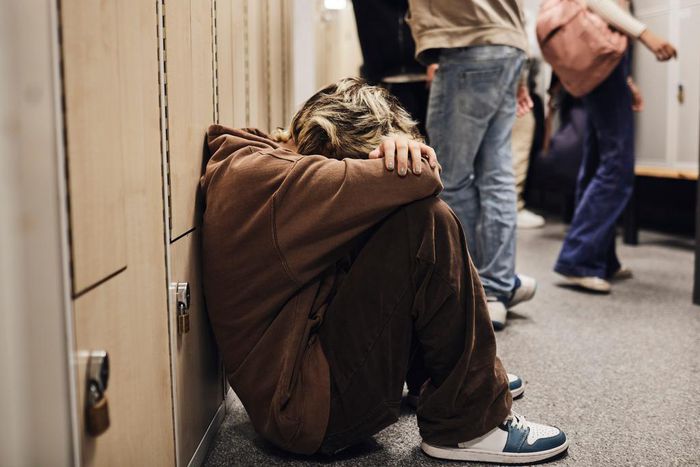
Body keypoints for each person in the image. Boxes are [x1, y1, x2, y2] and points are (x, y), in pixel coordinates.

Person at [200, 78, 569, 463]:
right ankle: (468, 427)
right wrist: (400, 157)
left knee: (392, 223)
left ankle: (448, 378)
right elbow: (423, 176)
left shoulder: (263, 165)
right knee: (425, 221)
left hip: (306, 373)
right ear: (328, 141)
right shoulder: (276, 181)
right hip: (306, 410)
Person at [406, 0, 538, 330]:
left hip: (468, 43)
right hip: (508, 44)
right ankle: (499, 283)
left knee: (450, 176)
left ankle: (478, 286)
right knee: (497, 176)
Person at [553, 0, 677, 293]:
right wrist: (646, 33)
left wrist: (625, 78)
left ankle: (600, 258)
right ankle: (579, 259)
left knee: (598, 162)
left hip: (606, 62)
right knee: (616, 166)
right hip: (604, 61)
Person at [352, 0, 430, 137]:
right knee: (387, 138)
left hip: (426, 78)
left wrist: (436, 58)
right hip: (382, 81)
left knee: (428, 141)